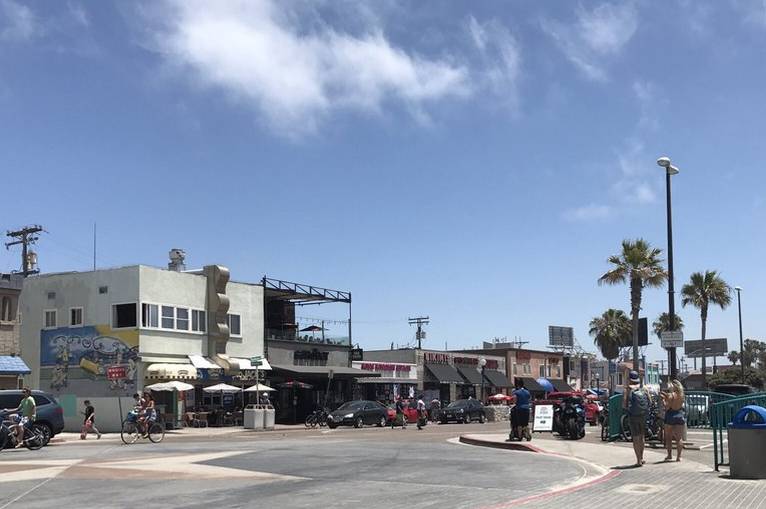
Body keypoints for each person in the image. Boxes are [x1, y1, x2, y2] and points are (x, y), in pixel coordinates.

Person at [623, 370, 649, 467]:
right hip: (643, 415)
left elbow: (624, 405)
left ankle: (638, 460)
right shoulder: (644, 388)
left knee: (636, 437)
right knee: (642, 437)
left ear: (629, 379)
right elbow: (649, 401)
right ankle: (642, 458)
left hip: (633, 416)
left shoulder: (628, 390)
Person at [660, 379, 685, 462]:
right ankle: (679, 457)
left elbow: (667, 407)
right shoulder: (682, 395)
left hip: (670, 415)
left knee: (668, 437)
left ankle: (669, 455)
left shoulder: (671, 395)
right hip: (679, 414)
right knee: (679, 438)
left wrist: (663, 400)